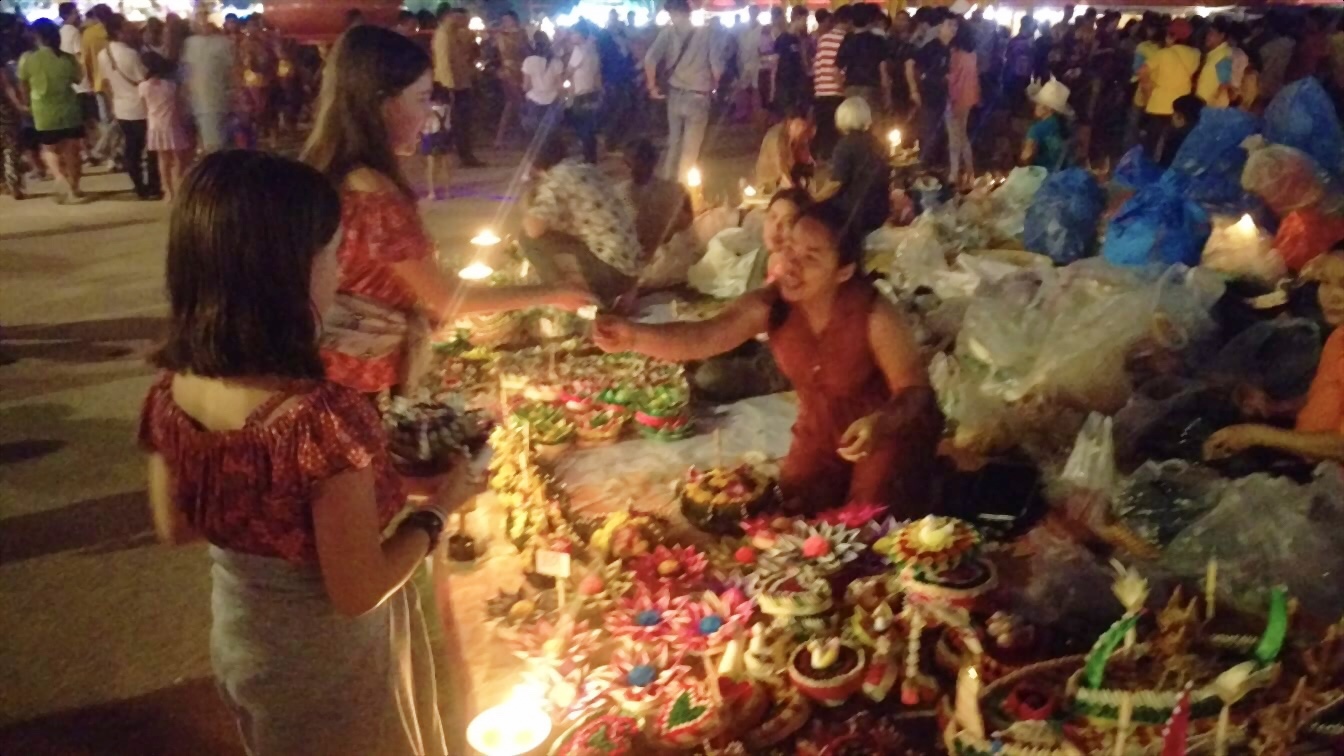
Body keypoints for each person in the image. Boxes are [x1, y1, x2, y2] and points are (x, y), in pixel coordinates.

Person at [139, 149, 462, 756]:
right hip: (330, 667)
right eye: (333, 253)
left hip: (245, 643)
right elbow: (357, 591)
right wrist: (438, 511)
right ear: (286, 273)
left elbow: (176, 526)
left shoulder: (170, 392)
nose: (340, 272)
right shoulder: (319, 420)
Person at [595, 202, 942, 515]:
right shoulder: (772, 305)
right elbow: (704, 336)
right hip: (819, 429)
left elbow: (915, 392)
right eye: (789, 249)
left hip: (885, 432)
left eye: (810, 258)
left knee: (867, 522)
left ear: (844, 271)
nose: (791, 265)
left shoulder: (874, 314)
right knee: (791, 507)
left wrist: (880, 423)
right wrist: (633, 336)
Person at [302, 26, 591, 396]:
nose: (429, 114)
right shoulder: (374, 197)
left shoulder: (325, 174)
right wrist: (553, 293)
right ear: (383, 104)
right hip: (354, 379)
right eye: (422, 98)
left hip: (321, 369)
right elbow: (448, 298)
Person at [1206, 249, 1344, 464]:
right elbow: (1329, 399)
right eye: (1325, 282)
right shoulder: (1338, 337)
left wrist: (1254, 435)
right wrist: (1275, 408)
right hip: (1310, 457)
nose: (1332, 295)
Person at [521, 132, 642, 307]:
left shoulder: (556, 180)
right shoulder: (585, 169)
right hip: (630, 269)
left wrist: (528, 196)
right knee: (553, 231)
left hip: (613, 273)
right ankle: (591, 289)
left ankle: (560, 295)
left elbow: (532, 229)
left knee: (527, 238)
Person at [643, 0, 727, 181]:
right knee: (690, 150)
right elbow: (717, 69)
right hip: (698, 96)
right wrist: (715, 85)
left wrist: (652, 87)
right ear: (688, 12)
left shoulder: (668, 32)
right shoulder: (707, 33)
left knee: (674, 143)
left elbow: (650, 59)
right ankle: (681, 189)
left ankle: (666, 184)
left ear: (674, 13)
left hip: (674, 95)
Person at [18, 18, 86, 203]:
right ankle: (74, 188)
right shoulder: (67, 58)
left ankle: (59, 177)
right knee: (72, 150)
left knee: (49, 149)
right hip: (69, 108)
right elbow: (79, 79)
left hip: (43, 110)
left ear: (37, 36)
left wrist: (26, 104)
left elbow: (23, 85)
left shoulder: (27, 59)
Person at [99, 14, 161, 200]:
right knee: (151, 148)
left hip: (121, 106)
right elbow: (144, 78)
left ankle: (138, 185)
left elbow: (106, 82)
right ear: (118, 31)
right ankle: (153, 185)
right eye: (127, 27)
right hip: (140, 106)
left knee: (132, 148)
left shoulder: (103, 54)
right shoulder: (131, 54)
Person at [621, 139, 695, 289]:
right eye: (628, 163)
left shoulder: (674, 190)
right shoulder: (620, 192)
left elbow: (687, 222)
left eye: (637, 161)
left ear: (651, 162)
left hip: (660, 259)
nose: (632, 167)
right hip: (643, 258)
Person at [824, 96, 890, 236]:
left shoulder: (845, 145)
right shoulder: (877, 143)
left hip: (854, 212)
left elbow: (836, 184)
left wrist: (814, 198)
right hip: (880, 209)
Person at [1139, 18, 1200, 162]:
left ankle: (1150, 169)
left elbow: (1143, 71)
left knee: (1152, 143)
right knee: (1172, 143)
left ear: (1172, 36)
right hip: (1181, 107)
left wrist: (1147, 90)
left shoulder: (1163, 54)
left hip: (1159, 105)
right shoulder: (1196, 54)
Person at [432, 9, 483, 168]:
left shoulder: (455, 34)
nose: (466, 23)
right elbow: (444, 63)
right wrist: (450, 88)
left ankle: (464, 154)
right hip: (453, 86)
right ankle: (461, 155)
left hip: (460, 83)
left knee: (463, 121)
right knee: (458, 121)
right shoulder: (443, 36)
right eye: (464, 20)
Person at [139, 52, 192, 201]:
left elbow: (144, 108)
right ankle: (178, 186)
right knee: (178, 159)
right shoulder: (171, 86)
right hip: (171, 123)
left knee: (163, 159)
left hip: (154, 125)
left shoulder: (143, 87)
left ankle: (168, 190)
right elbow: (178, 106)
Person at [907, 9, 956, 170]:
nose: (953, 29)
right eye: (949, 25)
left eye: (955, 25)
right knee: (929, 133)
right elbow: (911, 65)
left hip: (946, 98)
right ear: (940, 27)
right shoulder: (932, 47)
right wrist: (914, 89)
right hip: (930, 97)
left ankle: (936, 168)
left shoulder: (951, 48)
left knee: (942, 134)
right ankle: (922, 168)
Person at [180, 18, 235, 153]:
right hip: (206, 101)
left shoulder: (221, 43)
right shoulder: (191, 44)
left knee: (215, 143)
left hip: (212, 100)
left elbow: (231, 70)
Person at [810, 5, 850, 161]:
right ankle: (834, 161)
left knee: (824, 127)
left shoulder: (823, 38)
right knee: (837, 129)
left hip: (821, 90)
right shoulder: (846, 39)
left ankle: (820, 157)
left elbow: (817, 65)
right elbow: (843, 67)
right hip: (837, 90)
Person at [836, 3, 886, 116]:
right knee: (871, 119)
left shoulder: (848, 39)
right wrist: (886, 93)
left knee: (852, 119)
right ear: (870, 19)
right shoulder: (877, 40)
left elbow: (837, 68)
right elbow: (883, 69)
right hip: (871, 86)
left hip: (851, 86)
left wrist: (843, 87)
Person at [947, 22, 980, 187]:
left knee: (955, 136)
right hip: (968, 98)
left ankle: (956, 173)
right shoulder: (972, 55)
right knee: (962, 135)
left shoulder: (955, 54)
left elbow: (953, 79)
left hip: (955, 98)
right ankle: (969, 172)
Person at [755, 104, 815, 192]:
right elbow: (780, 166)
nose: (802, 129)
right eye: (800, 125)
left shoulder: (796, 135)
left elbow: (805, 157)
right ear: (790, 122)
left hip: (790, 171)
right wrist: (793, 187)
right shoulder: (777, 137)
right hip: (773, 179)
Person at [567, 21, 603, 163]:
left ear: (580, 35)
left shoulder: (579, 51)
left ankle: (588, 158)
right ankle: (591, 158)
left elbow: (569, 71)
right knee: (590, 127)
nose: (571, 36)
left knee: (582, 127)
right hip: (592, 92)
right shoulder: (593, 50)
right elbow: (597, 73)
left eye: (573, 33)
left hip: (581, 93)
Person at [0, 12, 26, 200]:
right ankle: (13, 183)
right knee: (10, 145)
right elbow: (7, 85)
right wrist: (18, 104)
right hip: (3, 107)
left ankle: (4, 183)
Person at [493, 11, 528, 148]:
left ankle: (511, 136)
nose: (505, 23)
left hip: (520, 71)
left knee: (517, 104)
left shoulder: (521, 34)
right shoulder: (500, 35)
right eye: (504, 20)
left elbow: (523, 49)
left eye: (508, 20)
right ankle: (502, 137)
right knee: (512, 103)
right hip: (508, 72)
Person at [1021, 78, 1072, 170]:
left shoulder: (1037, 129)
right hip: (1063, 175)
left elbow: (1027, 157)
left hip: (1042, 175)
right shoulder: (1065, 128)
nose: (1035, 107)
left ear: (1047, 108)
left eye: (1038, 104)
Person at [520, 31, 564, 139]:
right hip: (552, 101)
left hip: (534, 101)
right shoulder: (557, 62)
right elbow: (560, 86)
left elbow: (526, 86)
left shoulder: (528, 61)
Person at [771, 6, 810, 119]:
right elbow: (776, 63)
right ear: (797, 18)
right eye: (804, 20)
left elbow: (803, 61)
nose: (805, 23)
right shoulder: (783, 39)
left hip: (796, 83)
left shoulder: (798, 39)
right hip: (785, 83)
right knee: (789, 114)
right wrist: (773, 88)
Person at [419, 86, 452, 201]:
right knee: (444, 165)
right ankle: (447, 191)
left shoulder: (428, 110)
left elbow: (426, 126)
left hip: (431, 137)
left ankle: (432, 192)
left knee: (430, 166)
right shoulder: (447, 108)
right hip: (445, 136)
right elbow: (448, 124)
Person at [1155, 94, 1203, 168]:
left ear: (1180, 117)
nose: (1172, 116)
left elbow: (1164, 165)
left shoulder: (1175, 139)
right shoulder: (1202, 138)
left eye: (1174, 113)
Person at [1196, 17, 1235, 108]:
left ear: (1221, 36)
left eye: (1212, 34)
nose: (1207, 37)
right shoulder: (1215, 54)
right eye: (1208, 33)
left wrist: (1212, 104)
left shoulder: (1223, 55)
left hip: (1212, 108)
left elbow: (1225, 85)